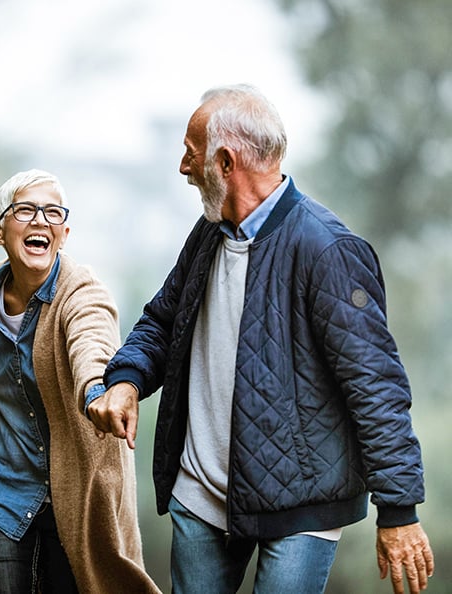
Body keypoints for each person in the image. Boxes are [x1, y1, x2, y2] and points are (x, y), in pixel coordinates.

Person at [87, 85, 435, 594]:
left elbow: (375, 387)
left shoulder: (328, 249)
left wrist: (398, 510)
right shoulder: (208, 233)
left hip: (301, 506)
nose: (183, 168)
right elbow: (163, 322)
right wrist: (125, 380)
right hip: (201, 497)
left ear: (225, 162)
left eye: (190, 153)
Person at [0, 169, 160, 593]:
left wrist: (98, 393)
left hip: (73, 495)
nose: (40, 221)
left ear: (64, 233)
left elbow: (92, 345)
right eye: (25, 210)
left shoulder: (82, 290)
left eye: (51, 213)